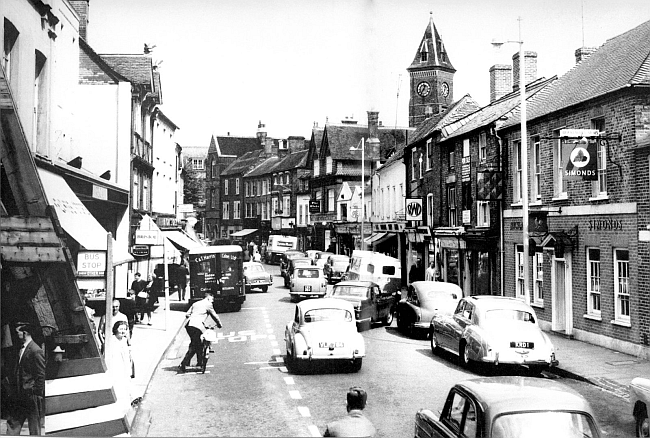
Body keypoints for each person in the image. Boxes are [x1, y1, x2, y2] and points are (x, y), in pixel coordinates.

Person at [5, 323, 45, 435]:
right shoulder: (22, 348)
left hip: (31, 395)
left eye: (18, 333)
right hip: (20, 394)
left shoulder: (35, 350)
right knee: (13, 423)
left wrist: (36, 393)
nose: (16, 335)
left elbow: (40, 374)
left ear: (25, 333)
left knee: (34, 427)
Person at [178, 291, 222, 373]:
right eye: (212, 299)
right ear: (208, 297)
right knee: (196, 344)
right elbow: (214, 316)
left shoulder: (196, 303)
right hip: (197, 326)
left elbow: (187, 314)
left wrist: (194, 317)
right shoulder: (208, 304)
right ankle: (183, 364)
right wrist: (219, 324)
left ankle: (198, 362)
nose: (213, 301)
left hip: (189, 325)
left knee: (196, 342)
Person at [105, 321, 137, 413]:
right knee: (118, 387)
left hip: (124, 366)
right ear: (115, 329)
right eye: (121, 329)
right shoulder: (111, 340)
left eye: (124, 329)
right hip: (115, 366)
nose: (123, 331)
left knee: (125, 387)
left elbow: (127, 356)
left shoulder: (124, 340)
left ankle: (126, 407)